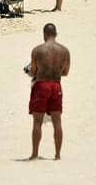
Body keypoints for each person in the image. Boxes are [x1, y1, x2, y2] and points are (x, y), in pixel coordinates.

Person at [26, 23, 70, 161]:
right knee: (57, 121)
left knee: (37, 121)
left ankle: (35, 154)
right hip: (56, 85)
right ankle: (57, 155)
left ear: (44, 34)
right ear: (56, 34)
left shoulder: (37, 50)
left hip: (41, 85)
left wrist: (31, 72)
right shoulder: (64, 51)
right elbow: (65, 72)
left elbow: (33, 71)